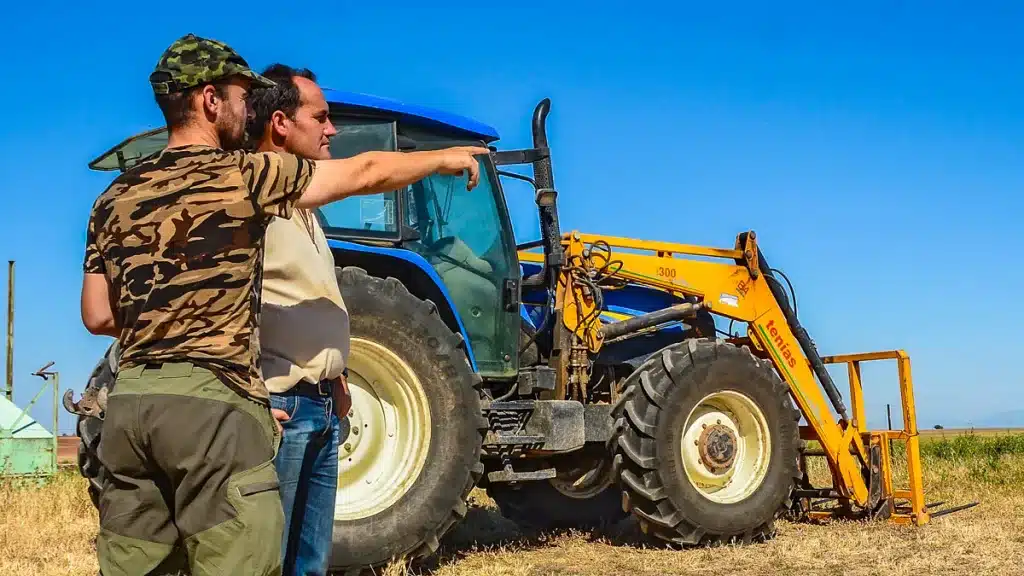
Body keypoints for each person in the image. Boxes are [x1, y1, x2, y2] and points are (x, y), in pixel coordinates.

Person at [80, 32, 488, 576]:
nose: (249, 110)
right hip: (214, 408)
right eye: (241, 96)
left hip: (131, 403)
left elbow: (98, 316)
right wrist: (442, 158)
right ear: (209, 99)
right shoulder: (244, 175)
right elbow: (362, 173)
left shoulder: (112, 198)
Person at [246, 63, 348, 576]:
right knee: (266, 557)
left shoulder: (307, 210)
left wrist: (338, 377)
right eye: (322, 118)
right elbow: (225, 305)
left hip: (323, 406)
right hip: (280, 407)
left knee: (310, 564)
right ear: (282, 123)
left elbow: (312, 295)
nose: (332, 130)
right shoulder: (248, 198)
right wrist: (252, 394)